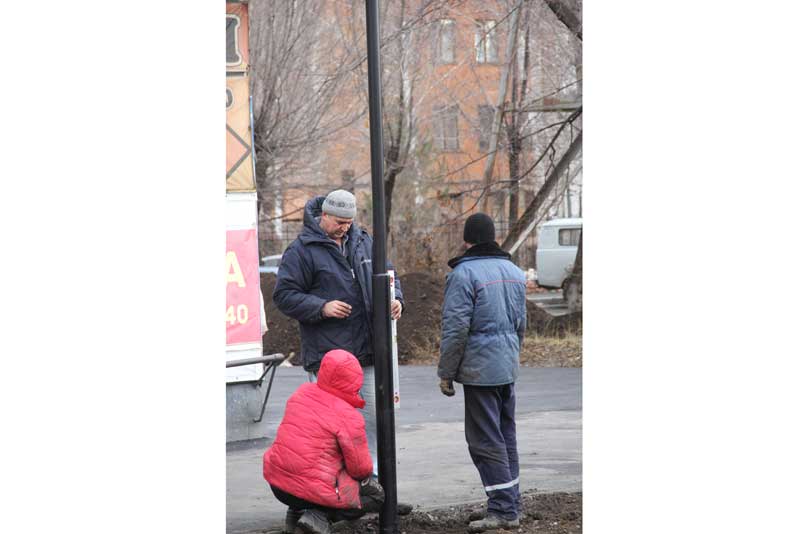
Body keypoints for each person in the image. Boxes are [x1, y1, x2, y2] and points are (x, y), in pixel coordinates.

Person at [272, 189, 410, 513]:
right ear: (323, 216)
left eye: (349, 222)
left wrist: (396, 299)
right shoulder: (302, 251)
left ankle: (371, 491)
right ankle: (326, 501)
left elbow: (389, 276)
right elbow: (284, 295)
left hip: (368, 353)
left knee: (372, 424)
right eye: (338, 222)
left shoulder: (364, 241)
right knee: (331, 432)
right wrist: (321, 307)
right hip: (329, 360)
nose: (344, 228)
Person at [437, 213, 528, 533]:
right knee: (506, 435)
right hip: (506, 366)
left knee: (484, 439)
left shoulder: (464, 275)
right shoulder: (514, 272)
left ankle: (503, 509)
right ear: (494, 238)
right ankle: (509, 502)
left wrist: (446, 371)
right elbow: (521, 326)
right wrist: (511, 358)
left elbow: (456, 328)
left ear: (467, 240)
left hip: (480, 371)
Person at [263, 349, 385, 534]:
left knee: (306, 472)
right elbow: (360, 469)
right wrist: (367, 483)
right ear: (356, 380)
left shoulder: (301, 393)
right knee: (376, 497)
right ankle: (318, 516)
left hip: (277, 483)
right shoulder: (349, 416)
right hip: (308, 491)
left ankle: (295, 516)